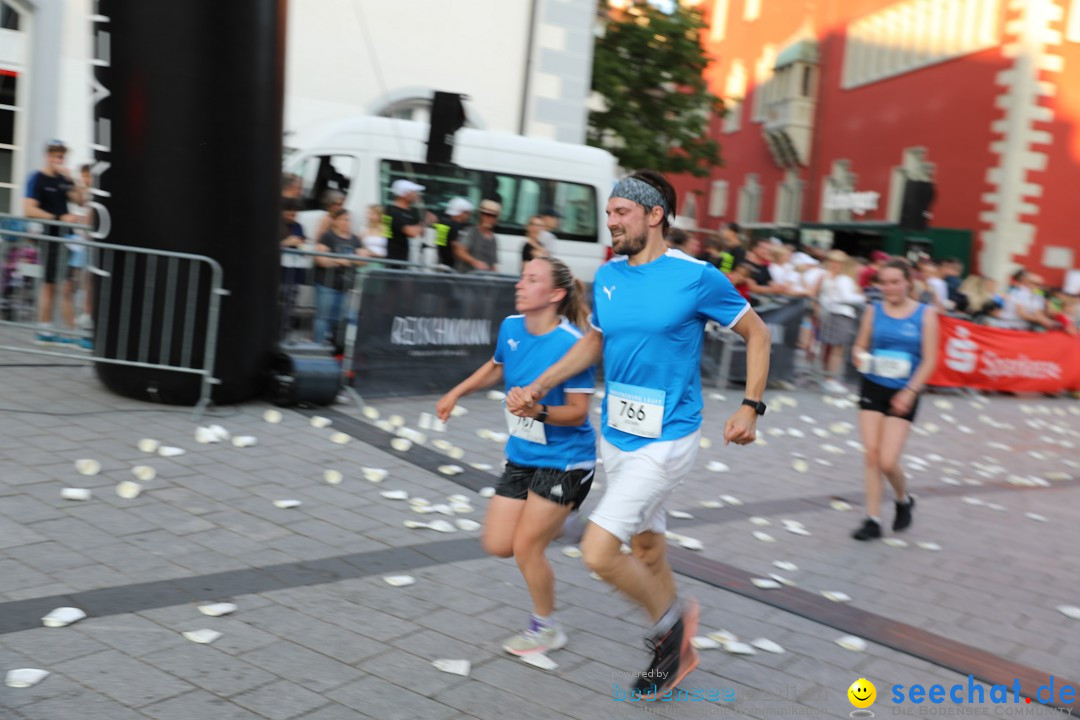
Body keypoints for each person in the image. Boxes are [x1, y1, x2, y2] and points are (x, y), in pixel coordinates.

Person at [506, 170, 771, 699]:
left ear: (655, 216)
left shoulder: (696, 276)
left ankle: (669, 630)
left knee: (600, 550)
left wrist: (750, 407)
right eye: (608, 214)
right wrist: (541, 383)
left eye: (621, 212)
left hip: (668, 436)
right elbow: (593, 344)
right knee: (648, 549)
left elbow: (757, 333)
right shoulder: (609, 275)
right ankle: (677, 653)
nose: (611, 223)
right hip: (617, 434)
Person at [436, 256, 596, 656]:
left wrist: (538, 410)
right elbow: (496, 367)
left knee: (527, 548)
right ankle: (566, 522)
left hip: (567, 459)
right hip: (522, 454)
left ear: (555, 294)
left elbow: (578, 413)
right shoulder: (511, 326)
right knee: (497, 543)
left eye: (531, 279)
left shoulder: (573, 345)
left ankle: (546, 628)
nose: (519, 285)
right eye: (522, 277)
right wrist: (456, 393)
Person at [850, 260, 938, 540]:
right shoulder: (873, 311)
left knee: (888, 461)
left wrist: (910, 391)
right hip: (873, 385)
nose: (889, 288)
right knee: (872, 455)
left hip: (905, 391)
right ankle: (872, 520)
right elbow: (860, 345)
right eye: (884, 283)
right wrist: (858, 354)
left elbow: (931, 359)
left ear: (908, 282)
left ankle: (903, 499)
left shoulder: (926, 314)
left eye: (895, 282)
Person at [23, 140, 88, 348]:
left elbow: (81, 200)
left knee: (61, 285)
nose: (60, 160)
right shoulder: (37, 179)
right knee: (52, 285)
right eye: (57, 156)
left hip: (67, 239)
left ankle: (53, 330)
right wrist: (59, 218)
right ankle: (54, 331)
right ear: (48, 156)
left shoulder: (62, 179)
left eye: (62, 156)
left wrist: (73, 179)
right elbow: (29, 209)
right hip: (50, 237)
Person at [313, 209, 369, 348]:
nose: (346, 222)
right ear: (336, 221)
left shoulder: (355, 239)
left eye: (348, 220)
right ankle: (318, 347)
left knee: (340, 319)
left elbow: (364, 259)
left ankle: (335, 348)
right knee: (323, 317)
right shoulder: (328, 236)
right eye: (343, 219)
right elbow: (321, 260)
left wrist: (339, 260)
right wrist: (342, 261)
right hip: (327, 285)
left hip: (346, 286)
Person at [815, 249, 865, 394]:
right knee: (837, 350)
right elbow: (846, 297)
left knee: (831, 348)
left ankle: (827, 377)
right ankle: (829, 379)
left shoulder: (830, 277)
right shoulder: (841, 279)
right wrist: (862, 298)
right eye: (833, 261)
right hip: (839, 314)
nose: (835, 265)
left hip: (832, 314)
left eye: (838, 262)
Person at [383, 179, 425, 264]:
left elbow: (420, 233)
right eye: (413, 192)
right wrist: (425, 222)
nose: (416, 195)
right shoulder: (392, 212)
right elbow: (411, 232)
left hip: (406, 259)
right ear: (405, 194)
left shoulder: (410, 213)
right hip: (394, 259)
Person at [456, 199, 500, 272]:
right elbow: (459, 251)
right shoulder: (471, 231)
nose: (490, 218)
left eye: (493, 216)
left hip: (483, 280)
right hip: (466, 278)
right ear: (481, 215)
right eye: (487, 215)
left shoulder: (493, 239)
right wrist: (475, 262)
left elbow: (492, 265)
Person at [433, 197, 474, 268]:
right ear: (461, 212)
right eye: (467, 213)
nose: (468, 216)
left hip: (441, 263)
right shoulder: (455, 226)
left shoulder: (442, 223)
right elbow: (456, 248)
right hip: (452, 267)